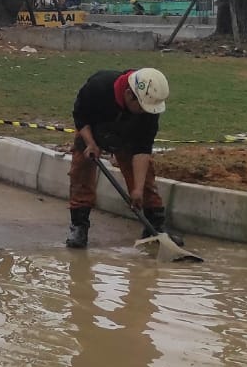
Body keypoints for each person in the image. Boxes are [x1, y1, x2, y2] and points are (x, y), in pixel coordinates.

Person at [66, 67, 174, 249]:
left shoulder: (149, 110)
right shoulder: (98, 87)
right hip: (92, 129)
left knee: (145, 179)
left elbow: (143, 148)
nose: (143, 112)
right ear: (128, 94)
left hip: (128, 137)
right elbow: (80, 116)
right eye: (140, 107)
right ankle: (79, 226)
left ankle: (155, 228)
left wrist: (137, 190)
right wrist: (91, 144)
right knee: (81, 172)